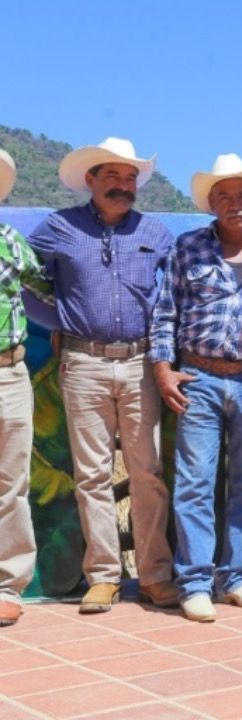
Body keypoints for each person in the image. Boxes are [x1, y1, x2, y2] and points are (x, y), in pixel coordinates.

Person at [28, 137, 179, 614]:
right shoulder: (58, 228)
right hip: (82, 365)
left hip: (140, 364)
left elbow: (174, 295)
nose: (123, 185)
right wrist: (58, 320)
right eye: (112, 176)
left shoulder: (156, 232)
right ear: (90, 179)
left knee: (147, 473)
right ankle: (104, 577)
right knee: (91, 475)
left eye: (130, 177)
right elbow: (24, 279)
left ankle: (154, 575)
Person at [149, 154, 242, 622]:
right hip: (198, 378)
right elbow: (165, 311)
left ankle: (236, 577)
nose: (234, 203)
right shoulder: (188, 247)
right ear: (210, 203)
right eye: (223, 196)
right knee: (195, 483)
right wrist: (163, 369)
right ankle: (195, 583)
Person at [0, 148, 56, 627]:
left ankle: (6, 586)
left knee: (10, 482)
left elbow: (48, 289)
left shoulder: (12, 243)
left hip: (9, 372)